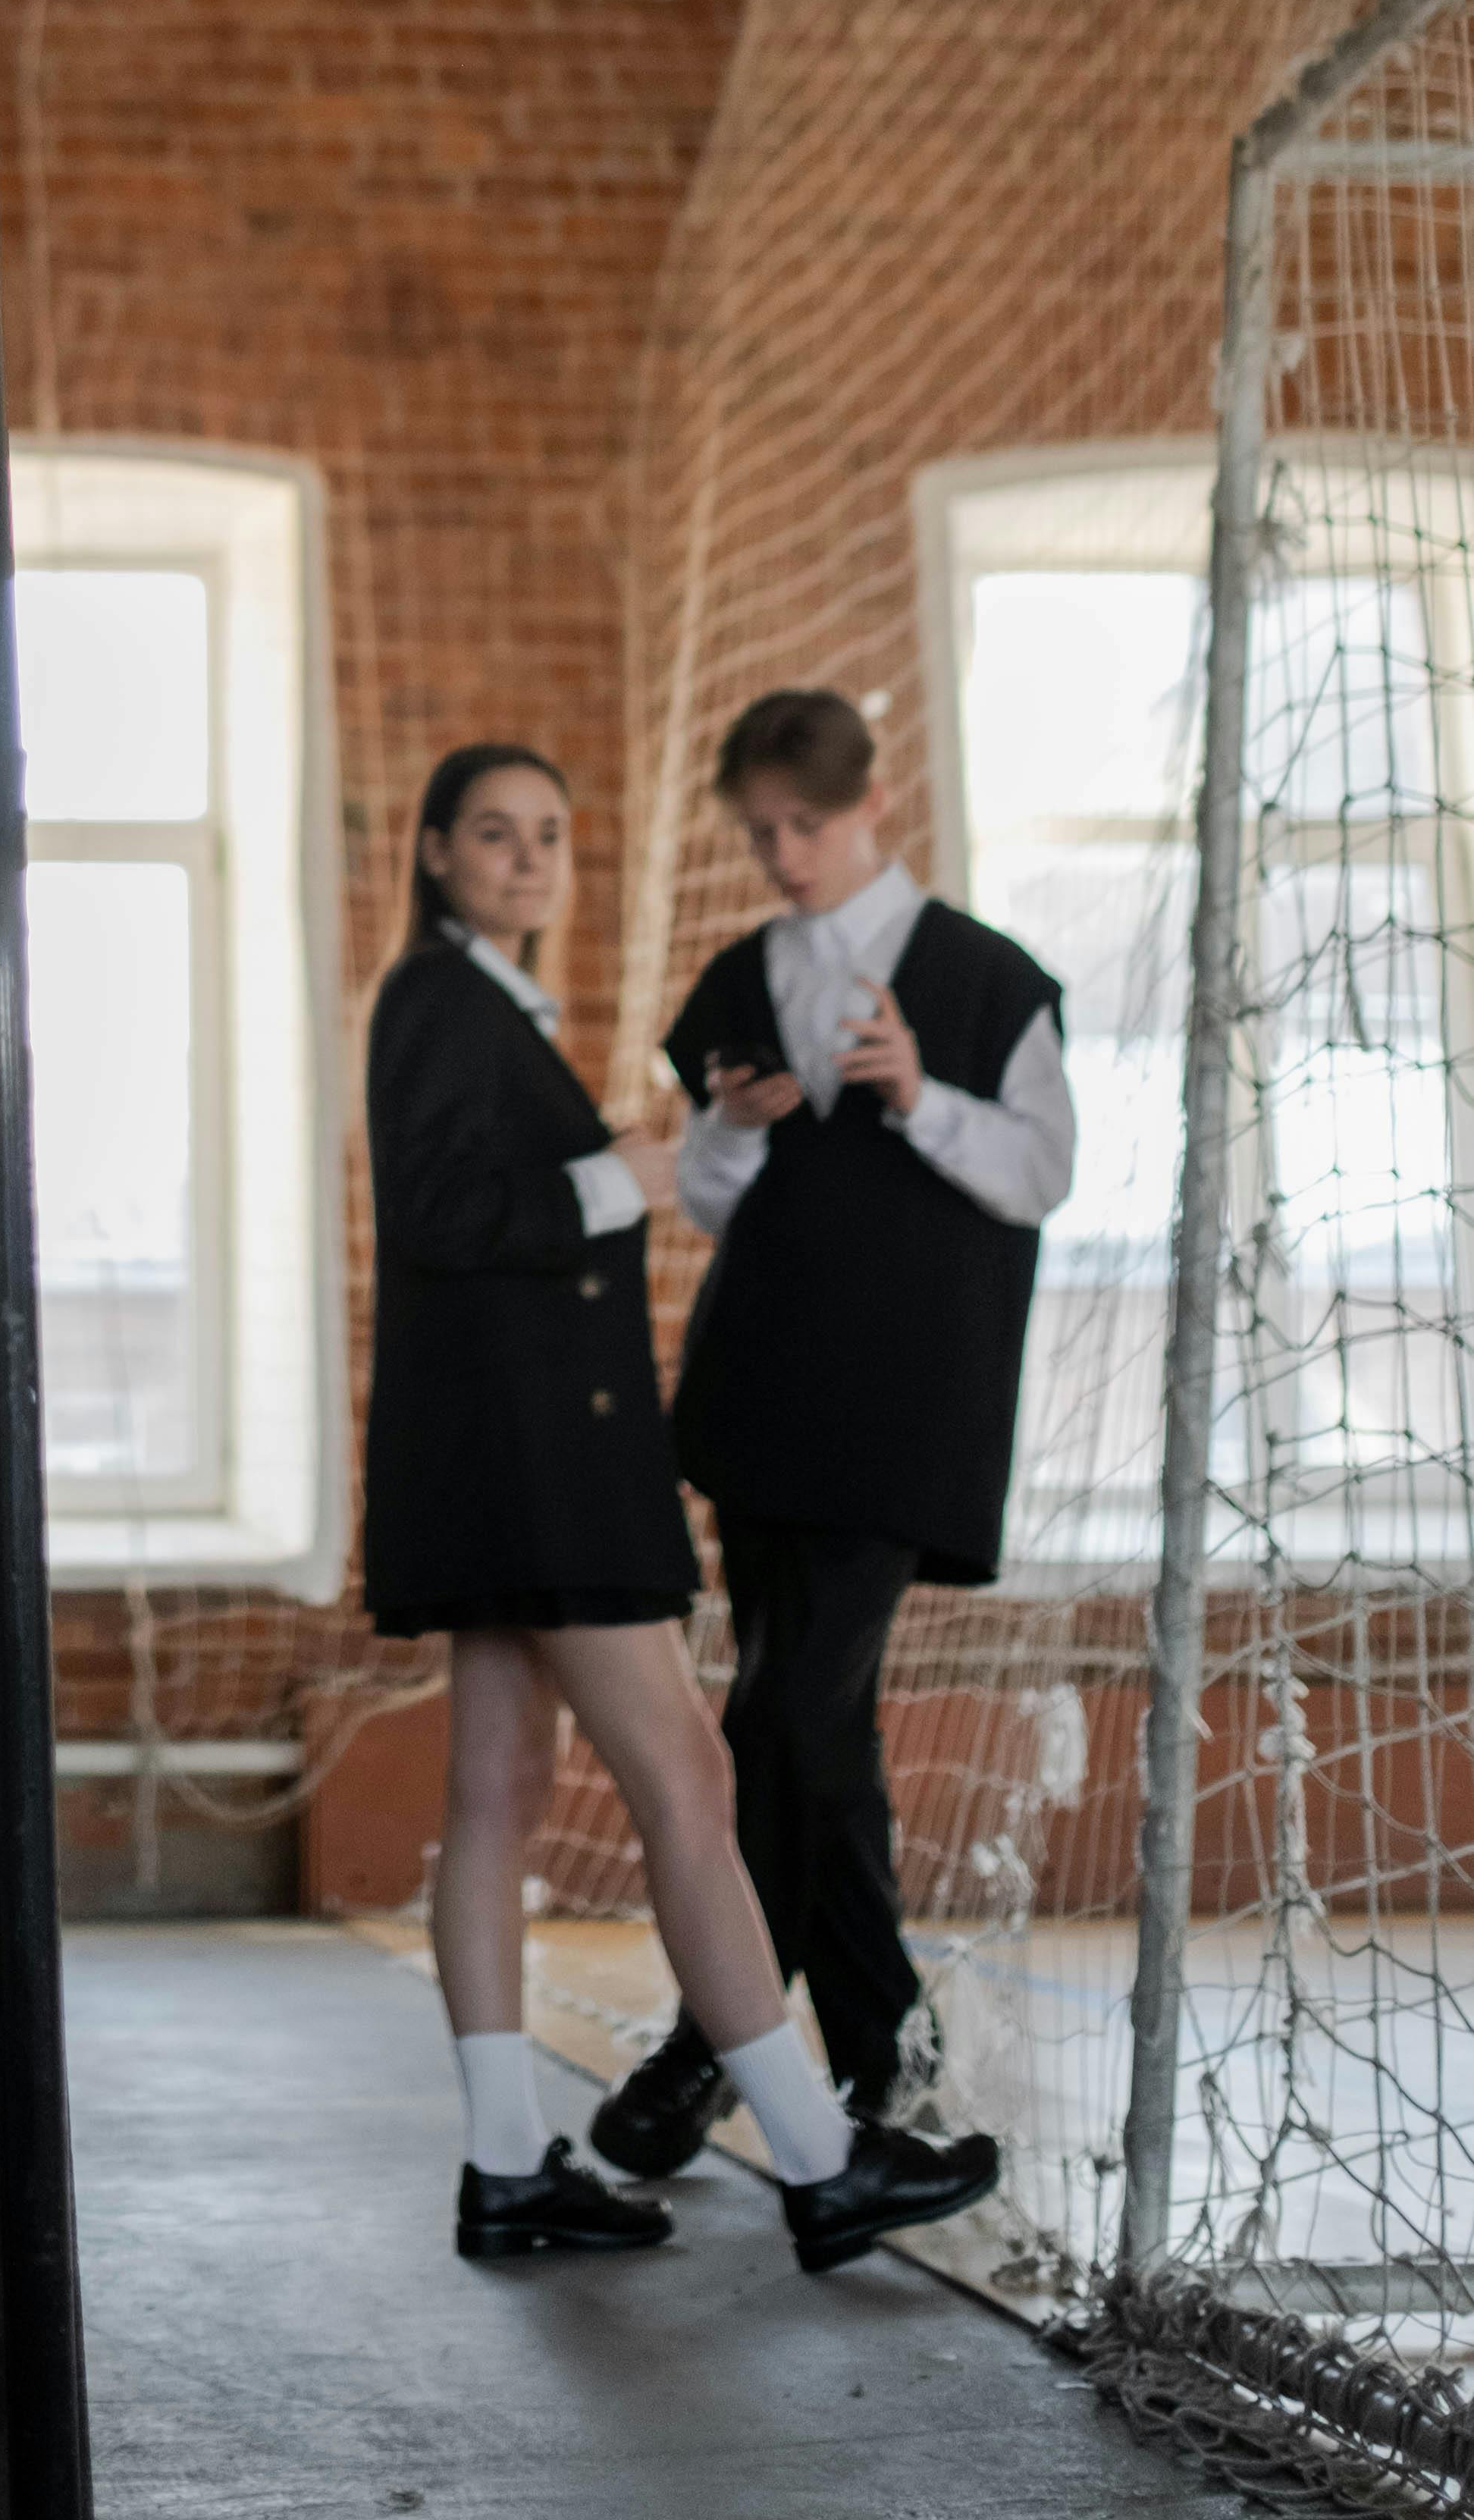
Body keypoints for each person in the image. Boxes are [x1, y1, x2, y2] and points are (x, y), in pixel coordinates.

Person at [365, 741, 1001, 2275]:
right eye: (495, 834)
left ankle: (508, 2162)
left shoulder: (482, 1004)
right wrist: (625, 1172)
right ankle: (817, 2156)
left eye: (548, 834)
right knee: (690, 1790)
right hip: (541, 1471)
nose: (528, 859)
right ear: (436, 849)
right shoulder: (439, 997)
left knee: (494, 1802)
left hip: (502, 1465)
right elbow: (443, 1213)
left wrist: (653, 1150)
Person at [591, 687, 1076, 2186]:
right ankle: (867, 2069)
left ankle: (718, 2051)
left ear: (869, 801)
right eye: (760, 832)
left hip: (905, 1408)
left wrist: (917, 1092)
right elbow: (719, 1201)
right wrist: (733, 1122)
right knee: (813, 1731)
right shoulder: (740, 973)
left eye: (802, 825)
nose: (782, 854)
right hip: (764, 1395)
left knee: (781, 1720)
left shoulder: (990, 980)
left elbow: (1043, 1172)